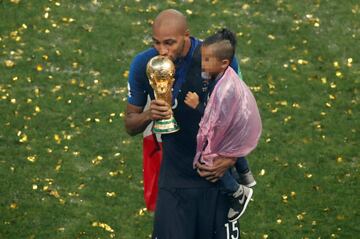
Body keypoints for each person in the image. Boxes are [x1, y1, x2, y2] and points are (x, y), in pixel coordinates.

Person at [125, 9, 243, 239]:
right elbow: (130, 124)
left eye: (169, 43)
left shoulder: (217, 59)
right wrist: (149, 114)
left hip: (216, 175)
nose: (162, 51)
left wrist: (231, 160)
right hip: (174, 179)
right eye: (156, 43)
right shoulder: (144, 64)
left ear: (186, 36)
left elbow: (242, 117)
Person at [184, 28, 262, 222]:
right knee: (233, 145)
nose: (202, 64)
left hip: (234, 128)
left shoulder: (224, 90)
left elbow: (214, 120)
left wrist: (196, 106)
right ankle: (245, 174)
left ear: (224, 63)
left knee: (208, 163)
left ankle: (238, 193)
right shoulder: (223, 75)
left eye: (207, 60)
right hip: (240, 126)